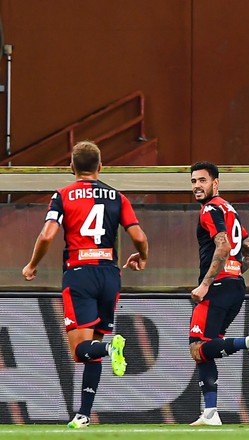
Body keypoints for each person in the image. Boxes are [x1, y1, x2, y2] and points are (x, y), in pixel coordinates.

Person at [22, 141, 148, 429]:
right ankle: (83, 415)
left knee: (80, 351)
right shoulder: (117, 197)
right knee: (93, 344)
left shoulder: (63, 195)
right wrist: (142, 256)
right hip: (109, 274)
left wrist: (32, 264)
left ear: (72, 167)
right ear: (100, 167)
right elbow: (139, 236)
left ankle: (109, 351)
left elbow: (46, 235)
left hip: (80, 274)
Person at [188, 161, 249, 426]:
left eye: (202, 180)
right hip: (235, 286)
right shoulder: (229, 209)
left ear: (216, 183)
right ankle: (211, 413)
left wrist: (205, 284)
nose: (197, 186)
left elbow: (222, 247)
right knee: (206, 347)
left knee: (197, 347)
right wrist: (235, 273)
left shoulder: (210, 209)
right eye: (193, 181)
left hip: (218, 286)